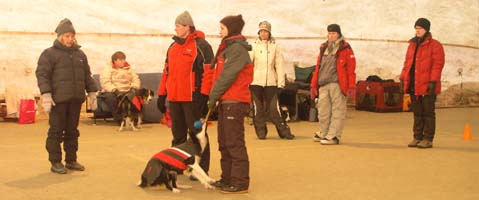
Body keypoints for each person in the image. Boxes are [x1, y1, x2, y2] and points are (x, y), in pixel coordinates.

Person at [36, 18, 98, 174]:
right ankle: (55, 161)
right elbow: (42, 74)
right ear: (59, 36)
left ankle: (71, 160)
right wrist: (46, 94)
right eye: (67, 36)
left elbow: (87, 75)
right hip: (58, 101)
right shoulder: (49, 54)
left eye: (72, 36)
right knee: (56, 131)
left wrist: (92, 92)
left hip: (76, 99)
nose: (70, 39)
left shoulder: (80, 54)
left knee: (72, 130)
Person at [156, 11, 214, 176]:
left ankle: (201, 169)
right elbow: (166, 72)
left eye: (178, 26)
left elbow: (208, 72)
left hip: (192, 99)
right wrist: (162, 95)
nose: (175, 28)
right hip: (175, 99)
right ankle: (178, 165)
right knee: (178, 135)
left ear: (187, 27)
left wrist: (204, 96)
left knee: (198, 135)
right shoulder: (172, 47)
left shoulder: (202, 46)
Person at [207, 14, 252, 194]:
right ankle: (227, 178)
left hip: (235, 100)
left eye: (222, 28)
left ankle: (240, 182)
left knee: (234, 143)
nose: (220, 32)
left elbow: (227, 77)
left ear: (231, 29)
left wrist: (213, 97)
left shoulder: (237, 51)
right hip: (225, 100)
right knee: (224, 142)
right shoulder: (227, 48)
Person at [400, 18, 445, 148]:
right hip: (414, 84)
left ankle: (428, 139)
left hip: (427, 85)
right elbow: (407, 64)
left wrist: (432, 81)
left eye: (420, 28)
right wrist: (403, 79)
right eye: (416, 28)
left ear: (426, 30)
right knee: (417, 112)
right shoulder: (412, 45)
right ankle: (417, 137)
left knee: (428, 113)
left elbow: (438, 65)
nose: (417, 30)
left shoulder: (435, 45)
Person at [310, 24, 356, 145]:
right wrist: (314, 85)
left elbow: (351, 69)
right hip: (323, 83)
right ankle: (324, 132)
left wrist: (351, 86)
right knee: (323, 111)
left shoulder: (345, 48)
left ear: (339, 34)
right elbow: (318, 67)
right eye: (329, 33)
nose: (331, 36)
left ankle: (334, 135)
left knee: (337, 111)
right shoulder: (323, 47)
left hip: (337, 84)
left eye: (334, 33)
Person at [249, 20, 295, 140]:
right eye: (261, 31)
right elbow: (249, 64)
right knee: (257, 109)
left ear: (269, 33)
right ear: (258, 32)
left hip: (271, 82)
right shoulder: (253, 46)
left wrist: (281, 83)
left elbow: (279, 65)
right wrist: (247, 81)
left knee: (274, 109)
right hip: (255, 82)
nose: (263, 34)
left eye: (266, 31)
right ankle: (261, 132)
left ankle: (284, 132)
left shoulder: (276, 47)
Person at [100, 51, 140, 122]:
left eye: (124, 59)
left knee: (136, 96)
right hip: (113, 91)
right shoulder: (108, 69)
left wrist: (133, 88)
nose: (123, 61)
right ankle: (120, 119)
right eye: (121, 60)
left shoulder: (129, 68)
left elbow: (136, 79)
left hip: (128, 90)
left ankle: (134, 119)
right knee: (110, 97)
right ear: (115, 61)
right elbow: (105, 82)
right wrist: (115, 90)